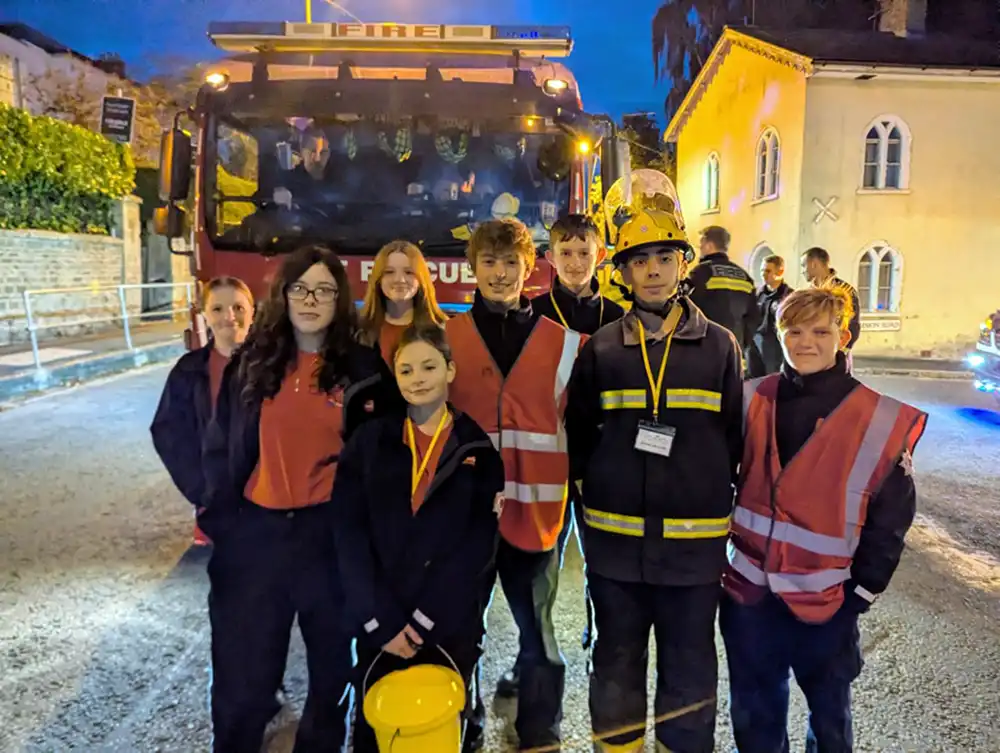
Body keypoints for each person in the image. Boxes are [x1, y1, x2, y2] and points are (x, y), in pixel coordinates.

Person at [200, 245, 399, 753]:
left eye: (325, 290)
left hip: (327, 539)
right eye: (301, 288)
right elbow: (220, 445)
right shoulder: (254, 362)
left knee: (331, 680)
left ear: (340, 299)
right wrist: (223, 520)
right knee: (246, 681)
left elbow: (383, 458)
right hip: (258, 538)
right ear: (283, 295)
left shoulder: (362, 369)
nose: (311, 299)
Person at [565, 208, 743, 753]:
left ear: (683, 263)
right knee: (615, 663)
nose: (653, 270)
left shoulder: (720, 348)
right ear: (622, 272)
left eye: (665, 257)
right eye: (640, 260)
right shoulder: (600, 349)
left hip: (693, 549)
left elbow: (735, 440)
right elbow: (579, 437)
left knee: (689, 665)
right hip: (616, 547)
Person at [721, 287, 927, 753]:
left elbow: (892, 518)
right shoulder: (751, 399)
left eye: (820, 331)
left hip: (828, 602)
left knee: (830, 723)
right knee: (754, 720)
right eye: (793, 331)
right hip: (750, 596)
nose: (805, 342)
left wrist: (861, 593)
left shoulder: (877, 417)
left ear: (844, 337)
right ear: (779, 337)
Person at [445, 217, 584, 751]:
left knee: (540, 639)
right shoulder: (446, 339)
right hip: (464, 519)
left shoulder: (568, 346)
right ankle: (463, 723)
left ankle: (540, 731)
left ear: (530, 269)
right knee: (458, 632)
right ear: (473, 268)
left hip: (537, 517)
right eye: (489, 262)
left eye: (511, 263)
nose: (500, 274)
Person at [332, 325, 505, 753]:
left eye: (429, 366)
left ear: (450, 370)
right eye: (406, 370)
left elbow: (476, 548)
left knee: (440, 728)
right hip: (380, 623)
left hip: (446, 623)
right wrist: (378, 620)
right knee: (378, 730)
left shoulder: (477, 450)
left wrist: (425, 619)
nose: (418, 377)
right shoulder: (367, 442)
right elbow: (348, 534)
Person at [150, 276, 254, 546]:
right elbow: (169, 432)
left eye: (239, 308)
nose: (229, 316)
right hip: (213, 504)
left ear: (253, 312)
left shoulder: (272, 366)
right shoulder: (188, 370)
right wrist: (200, 490)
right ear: (205, 315)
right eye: (218, 309)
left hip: (265, 504)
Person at [358, 239, 448, 365]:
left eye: (409, 272)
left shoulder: (444, 331)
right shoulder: (358, 331)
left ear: (421, 279)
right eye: (389, 272)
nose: (399, 279)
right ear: (378, 279)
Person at [687, 225, 759, 359]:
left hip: (706, 349)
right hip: (734, 350)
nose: (700, 249)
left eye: (701, 245)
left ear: (708, 245)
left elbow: (687, 308)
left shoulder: (702, 272)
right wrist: (742, 342)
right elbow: (754, 317)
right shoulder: (744, 275)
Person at [804, 246, 861, 351]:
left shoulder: (845, 290)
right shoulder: (808, 292)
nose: (802, 271)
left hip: (836, 351)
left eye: (804, 265)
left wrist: (841, 352)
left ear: (814, 264)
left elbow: (853, 324)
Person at [747, 254, 793, 377]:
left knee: (772, 379)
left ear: (780, 271)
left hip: (775, 346)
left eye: (768, 271)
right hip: (755, 342)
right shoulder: (758, 294)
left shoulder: (788, 296)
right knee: (754, 378)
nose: (763, 274)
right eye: (762, 270)